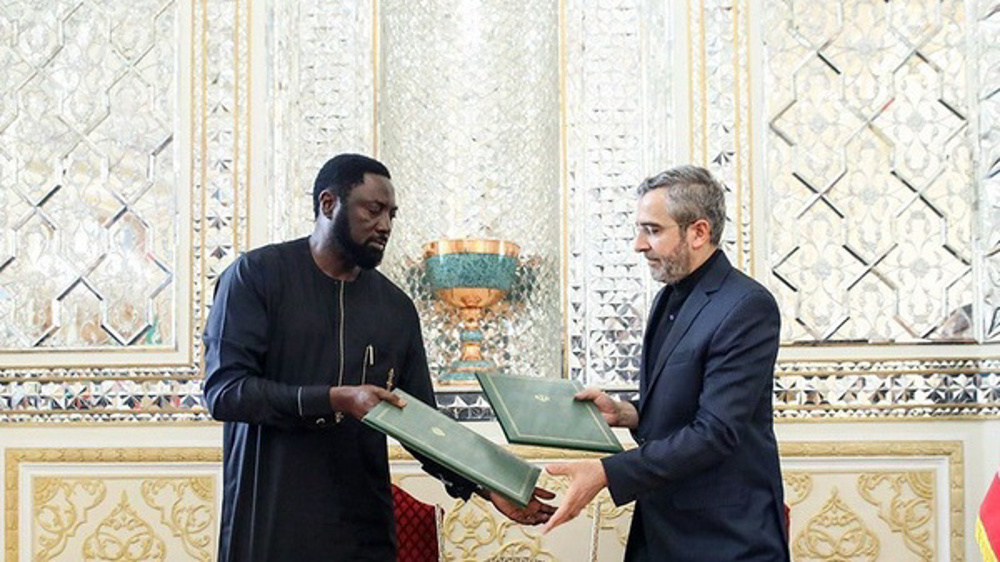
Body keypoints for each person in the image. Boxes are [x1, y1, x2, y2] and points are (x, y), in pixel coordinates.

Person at [203, 153, 554, 561]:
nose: (385, 226)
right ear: (329, 204)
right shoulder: (256, 276)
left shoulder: (395, 308)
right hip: (269, 525)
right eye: (374, 210)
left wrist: (489, 483)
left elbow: (424, 423)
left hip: (362, 534)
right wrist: (336, 399)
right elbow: (226, 393)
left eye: (392, 214)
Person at [543, 165, 789, 561]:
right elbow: (686, 406)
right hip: (661, 532)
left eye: (653, 230)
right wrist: (628, 413)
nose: (639, 244)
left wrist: (607, 472)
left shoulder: (747, 306)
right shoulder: (668, 298)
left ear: (699, 232)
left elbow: (715, 432)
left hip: (725, 541)